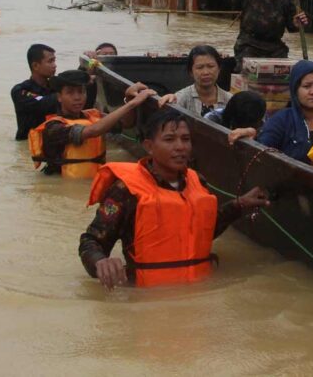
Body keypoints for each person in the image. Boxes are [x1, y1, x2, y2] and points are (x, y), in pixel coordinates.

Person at [79, 108, 271, 289]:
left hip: (199, 296)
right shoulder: (124, 191)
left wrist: (239, 205)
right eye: (169, 139)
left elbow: (202, 231)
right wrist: (100, 262)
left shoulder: (199, 182)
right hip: (146, 300)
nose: (180, 147)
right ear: (149, 147)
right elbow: (91, 241)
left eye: (185, 139)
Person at [29, 70, 156, 178]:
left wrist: (129, 97)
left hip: (92, 179)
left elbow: (126, 123)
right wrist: (133, 103)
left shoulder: (94, 115)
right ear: (59, 97)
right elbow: (92, 131)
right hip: (63, 183)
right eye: (70, 92)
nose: (77, 97)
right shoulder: (54, 128)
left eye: (81, 92)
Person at [159, 45, 231, 116]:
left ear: (219, 69)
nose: (206, 72)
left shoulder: (230, 100)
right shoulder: (181, 98)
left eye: (211, 66)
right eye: (200, 67)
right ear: (191, 72)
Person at [11, 44, 59, 140]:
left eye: (54, 60)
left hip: (50, 142)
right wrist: (65, 94)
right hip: (28, 145)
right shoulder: (20, 91)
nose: (55, 65)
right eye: (50, 61)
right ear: (35, 66)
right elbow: (44, 104)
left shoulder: (56, 86)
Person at [82, 42, 119, 110]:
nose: (108, 57)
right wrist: (88, 58)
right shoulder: (91, 75)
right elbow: (80, 79)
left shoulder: (121, 75)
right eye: (104, 54)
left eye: (111, 54)